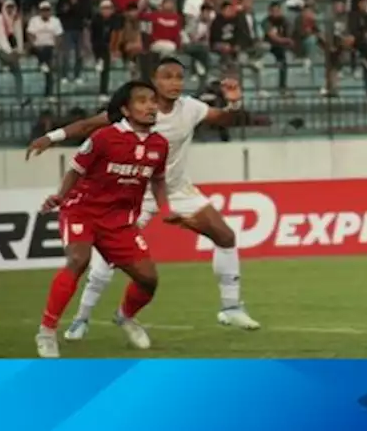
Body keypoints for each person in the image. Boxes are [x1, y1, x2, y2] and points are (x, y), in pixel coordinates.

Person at [27, 59, 261, 338]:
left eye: (179, 77)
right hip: (133, 193)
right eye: (167, 77)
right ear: (154, 80)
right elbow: (88, 125)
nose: (174, 83)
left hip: (176, 188)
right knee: (106, 261)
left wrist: (233, 104)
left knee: (225, 235)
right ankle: (82, 318)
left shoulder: (191, 107)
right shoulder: (137, 111)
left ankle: (231, 307)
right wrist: (51, 137)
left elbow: (223, 119)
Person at [35, 80, 175, 358]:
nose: (151, 106)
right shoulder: (104, 137)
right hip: (82, 211)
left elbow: (158, 180)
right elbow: (75, 169)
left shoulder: (159, 144)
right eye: (142, 101)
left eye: (153, 101)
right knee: (78, 260)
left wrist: (165, 208)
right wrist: (61, 197)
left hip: (120, 221)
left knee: (148, 279)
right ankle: (47, 331)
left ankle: (125, 316)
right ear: (126, 109)